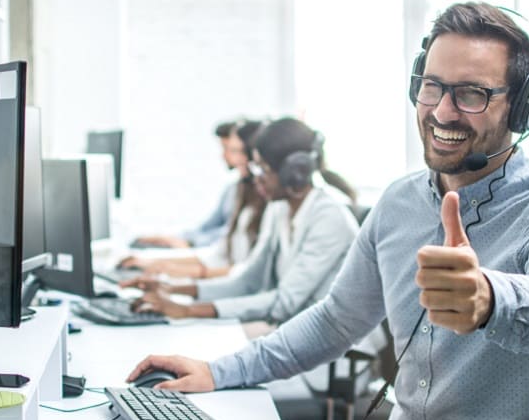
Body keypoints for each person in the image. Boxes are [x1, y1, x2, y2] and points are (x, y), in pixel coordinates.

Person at [126, 2, 529, 420]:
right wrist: (217, 371)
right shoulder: (399, 202)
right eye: (432, 86)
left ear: (521, 107)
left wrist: (488, 299)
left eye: (472, 94)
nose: (441, 110)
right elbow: (336, 320)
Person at [121, 117, 360, 323]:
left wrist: (186, 310)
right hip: (293, 329)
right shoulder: (280, 210)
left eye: (263, 169)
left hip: (331, 354)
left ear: (293, 173)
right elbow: (248, 281)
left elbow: (285, 302)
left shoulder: (329, 218)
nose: (256, 178)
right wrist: (172, 290)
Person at [121, 120, 268, 278]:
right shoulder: (239, 190)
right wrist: (153, 262)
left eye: (236, 151)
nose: (231, 158)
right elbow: (218, 252)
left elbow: (244, 271)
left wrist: (170, 268)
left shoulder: (267, 206)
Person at [131, 120, 243, 249]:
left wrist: (191, 243)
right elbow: (207, 227)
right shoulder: (232, 189)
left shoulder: (258, 193)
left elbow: (232, 235)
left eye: (229, 149)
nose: (223, 156)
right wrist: (170, 238)